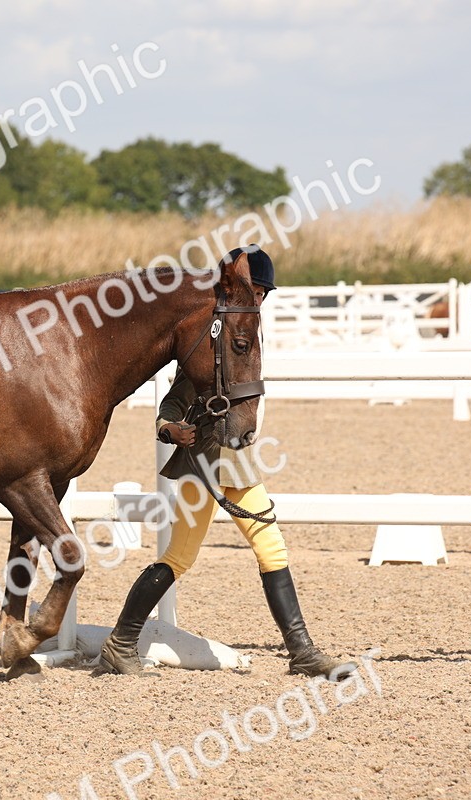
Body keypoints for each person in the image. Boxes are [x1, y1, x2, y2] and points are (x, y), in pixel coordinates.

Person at [94, 245, 356, 680]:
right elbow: (170, 408)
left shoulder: (243, 333)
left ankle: (302, 652)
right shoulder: (210, 340)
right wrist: (170, 430)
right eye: (255, 290)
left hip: (239, 462)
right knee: (179, 558)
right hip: (207, 465)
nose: (259, 299)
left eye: (262, 293)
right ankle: (120, 644)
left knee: (269, 548)